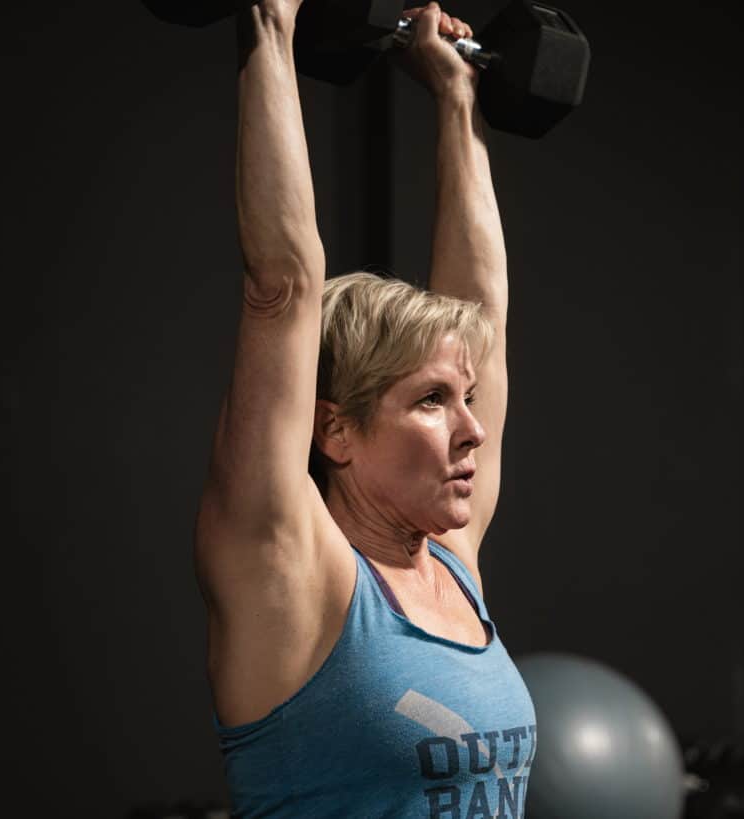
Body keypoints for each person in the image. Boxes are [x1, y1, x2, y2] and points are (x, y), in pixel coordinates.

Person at [192, 1, 536, 816]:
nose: (473, 429)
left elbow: (483, 313)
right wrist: (270, 28)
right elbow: (282, 287)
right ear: (335, 428)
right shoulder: (289, 572)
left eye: (467, 399)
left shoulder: (452, 561)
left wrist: (457, 103)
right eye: (430, 401)